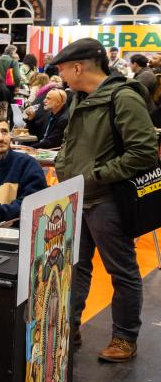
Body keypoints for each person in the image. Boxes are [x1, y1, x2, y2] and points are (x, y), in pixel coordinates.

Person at [53, 38, 156, 363]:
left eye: (63, 69)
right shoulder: (79, 98)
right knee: (75, 267)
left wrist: (96, 176)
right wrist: (62, 167)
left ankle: (125, 337)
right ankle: (70, 328)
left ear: (78, 67)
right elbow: (73, 142)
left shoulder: (124, 98)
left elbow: (143, 153)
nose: (61, 76)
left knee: (121, 269)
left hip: (108, 201)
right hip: (77, 198)